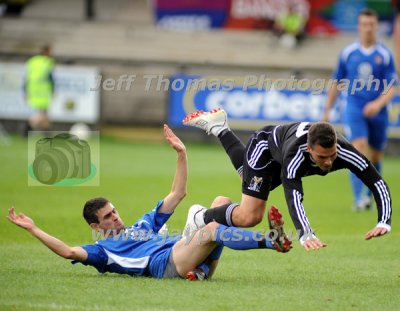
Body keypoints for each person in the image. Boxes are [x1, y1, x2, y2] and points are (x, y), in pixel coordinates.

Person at [7, 125, 291, 282]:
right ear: (96, 226)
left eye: (114, 211)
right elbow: (68, 251)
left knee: (222, 202)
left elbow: (177, 194)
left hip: (184, 253)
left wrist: (181, 154)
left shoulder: (142, 224)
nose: (116, 217)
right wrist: (33, 228)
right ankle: (271, 240)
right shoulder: (101, 251)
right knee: (212, 228)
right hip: (167, 265)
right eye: (108, 217)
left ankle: (202, 271)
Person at [183, 109, 392, 251]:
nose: (328, 163)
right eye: (322, 157)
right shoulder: (295, 156)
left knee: (249, 185)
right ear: (309, 149)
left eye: (332, 155)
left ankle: (220, 128)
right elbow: (293, 196)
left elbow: (377, 182)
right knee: (250, 216)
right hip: (265, 148)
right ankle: (200, 216)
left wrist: (384, 220)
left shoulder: (344, 151)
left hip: (280, 150)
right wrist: (305, 232)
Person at [322, 8, 398, 211]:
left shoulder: (384, 54)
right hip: (354, 107)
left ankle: (372, 192)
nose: (368, 29)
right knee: (358, 148)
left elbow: (393, 86)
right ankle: (358, 199)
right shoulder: (348, 53)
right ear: (359, 27)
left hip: (378, 112)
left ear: (376, 27)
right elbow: (336, 82)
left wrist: (377, 104)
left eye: (371, 25)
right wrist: (327, 111)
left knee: (375, 157)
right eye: (364, 25)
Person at [24, 45, 55, 134]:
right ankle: (28, 127)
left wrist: (25, 91)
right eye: (50, 52)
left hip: (32, 89)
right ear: (46, 52)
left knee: (44, 113)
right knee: (42, 113)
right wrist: (53, 90)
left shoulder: (32, 61)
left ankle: (47, 132)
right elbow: (50, 78)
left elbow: (26, 77)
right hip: (43, 91)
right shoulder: (47, 62)